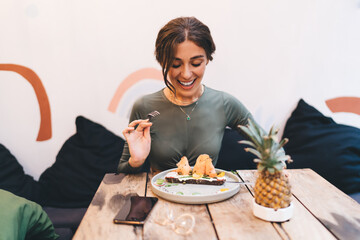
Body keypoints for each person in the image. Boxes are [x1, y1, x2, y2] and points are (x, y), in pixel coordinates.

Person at [117, 16, 254, 173]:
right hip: (160, 197)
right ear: (162, 62)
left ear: (207, 59)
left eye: (196, 63)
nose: (186, 74)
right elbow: (122, 172)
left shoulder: (225, 104)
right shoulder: (144, 106)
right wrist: (136, 161)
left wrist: (278, 166)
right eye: (175, 64)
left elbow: (269, 148)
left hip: (209, 196)